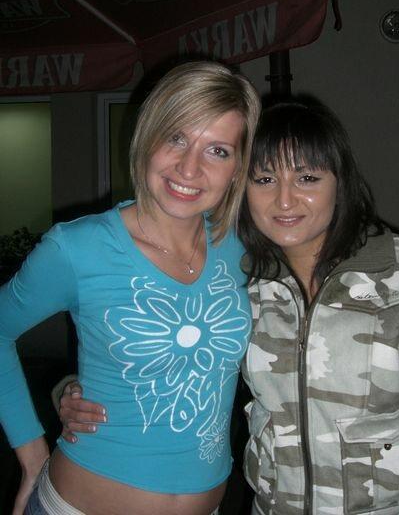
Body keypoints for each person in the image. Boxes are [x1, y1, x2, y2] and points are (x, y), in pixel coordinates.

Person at [56, 102, 399, 514]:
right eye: (264, 179)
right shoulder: (240, 278)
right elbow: (161, 352)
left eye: (307, 178)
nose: (284, 200)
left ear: (341, 182)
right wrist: (76, 390)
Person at [0, 60, 261, 515]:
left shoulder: (242, 246)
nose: (189, 167)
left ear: (238, 168)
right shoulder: (77, 248)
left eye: (217, 150)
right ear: (148, 137)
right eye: (176, 137)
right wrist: (31, 455)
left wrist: (68, 385)